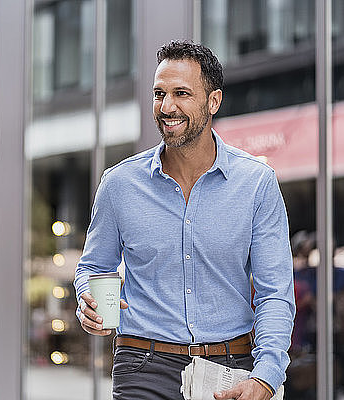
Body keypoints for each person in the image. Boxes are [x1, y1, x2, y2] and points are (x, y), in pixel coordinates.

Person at [74, 40, 295, 400]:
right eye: (159, 94)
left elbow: (275, 292)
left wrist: (266, 375)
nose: (166, 106)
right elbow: (93, 266)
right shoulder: (119, 184)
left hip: (230, 368)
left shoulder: (256, 183)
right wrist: (88, 299)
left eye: (181, 93)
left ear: (213, 101)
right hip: (141, 366)